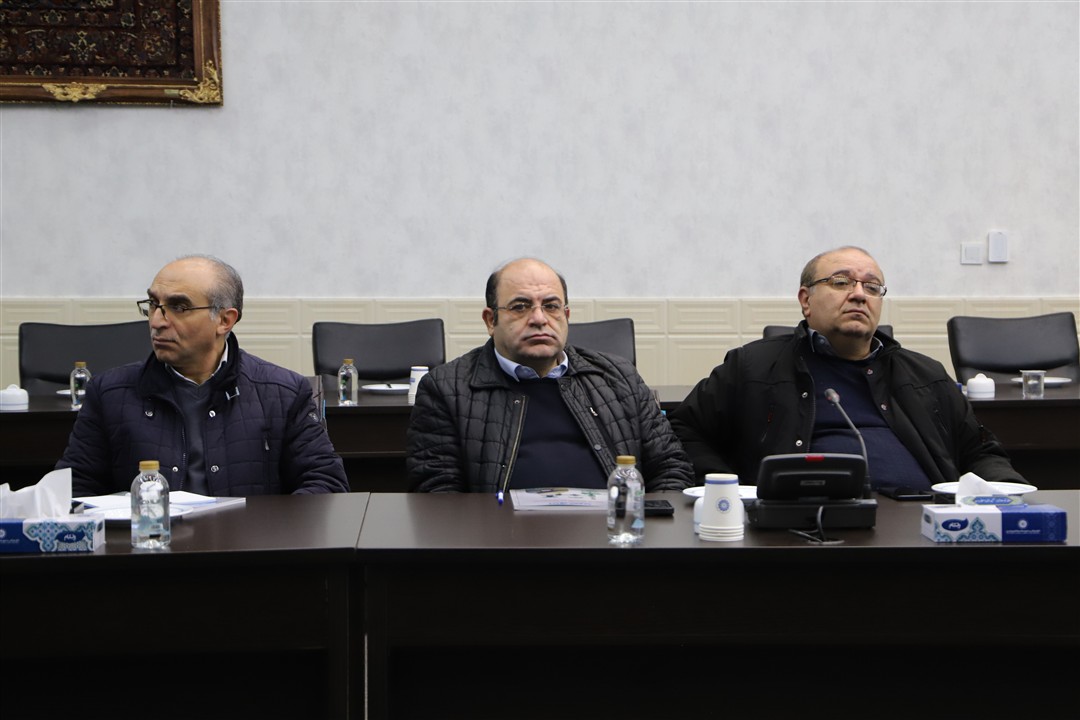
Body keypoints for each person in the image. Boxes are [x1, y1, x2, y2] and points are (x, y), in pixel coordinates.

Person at [669, 246, 1025, 491]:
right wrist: (729, 489)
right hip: (799, 525)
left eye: (872, 287)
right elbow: (685, 429)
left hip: (921, 524)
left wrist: (1010, 492)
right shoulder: (753, 366)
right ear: (806, 300)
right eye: (841, 282)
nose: (859, 294)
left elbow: (979, 449)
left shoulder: (925, 374)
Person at [59, 255, 349, 497]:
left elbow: (327, 484)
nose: (157, 321)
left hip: (249, 546)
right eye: (154, 304)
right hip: (149, 546)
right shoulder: (109, 393)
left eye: (178, 307)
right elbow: (73, 490)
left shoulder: (282, 392)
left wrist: (268, 531)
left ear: (224, 320)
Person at [407, 257, 694, 495]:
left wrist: (638, 526)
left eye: (551, 306)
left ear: (566, 315)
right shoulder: (446, 389)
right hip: (502, 539)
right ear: (491, 320)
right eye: (520, 307)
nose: (539, 319)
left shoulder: (619, 377)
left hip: (610, 536)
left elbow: (671, 467)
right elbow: (438, 493)